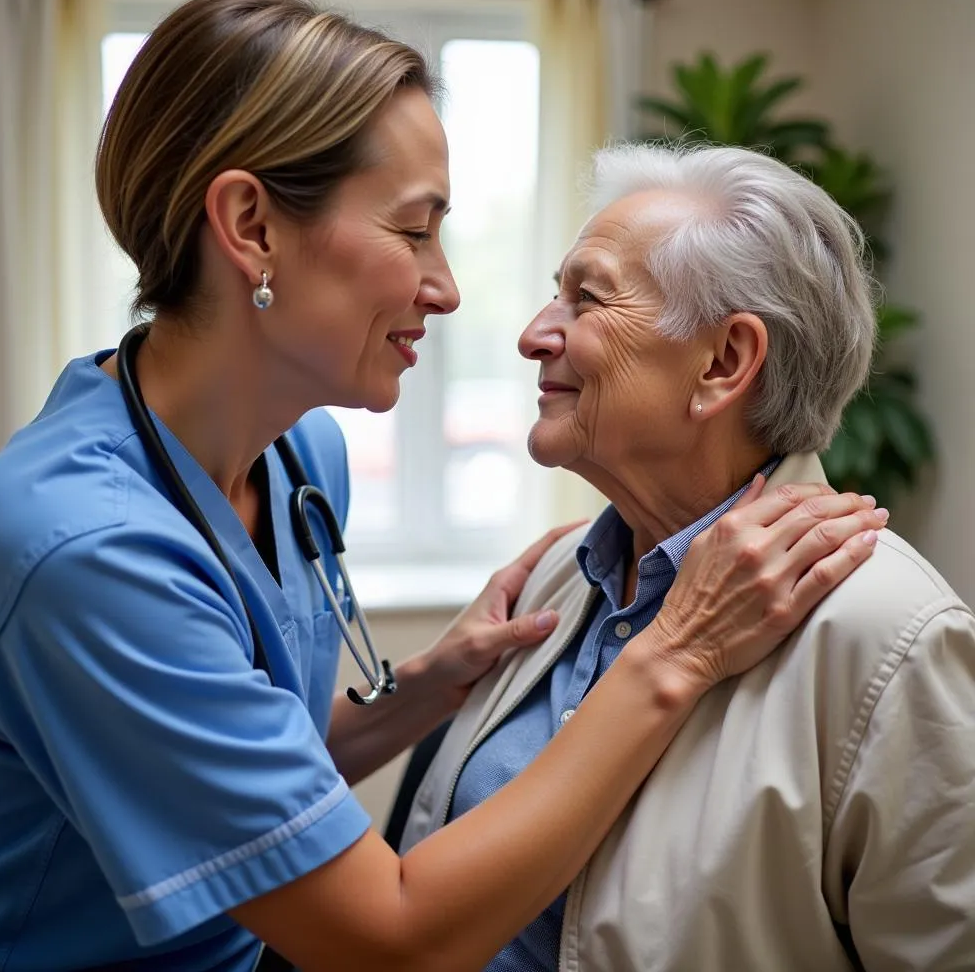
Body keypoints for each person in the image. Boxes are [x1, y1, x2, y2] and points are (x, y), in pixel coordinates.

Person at [0, 0, 887, 972]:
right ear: (250, 226)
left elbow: (244, 767)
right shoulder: (77, 547)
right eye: (414, 230)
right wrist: (678, 650)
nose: (446, 287)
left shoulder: (301, 461)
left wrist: (428, 688)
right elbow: (384, 939)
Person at [398, 142, 975, 971]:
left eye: (585, 299)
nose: (532, 335)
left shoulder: (887, 634)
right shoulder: (557, 574)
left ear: (723, 363)